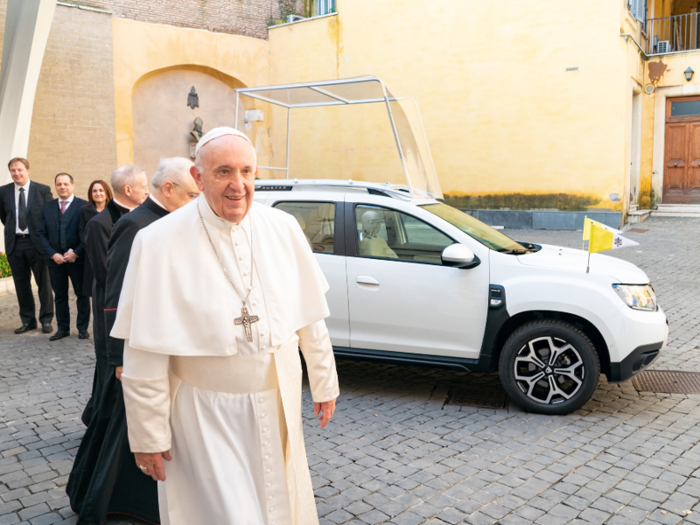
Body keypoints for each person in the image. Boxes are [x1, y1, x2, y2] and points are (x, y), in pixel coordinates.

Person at [112, 127, 339, 525]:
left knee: (281, 508)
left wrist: (324, 382)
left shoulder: (282, 228)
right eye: (223, 172)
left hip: (277, 402)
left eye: (247, 172)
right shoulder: (157, 242)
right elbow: (145, 350)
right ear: (198, 178)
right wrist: (148, 435)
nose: (239, 185)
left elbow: (310, 317)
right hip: (204, 414)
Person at [67, 158, 199, 525]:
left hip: (162, 345)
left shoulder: (170, 219)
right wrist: (118, 358)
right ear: (168, 189)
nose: (196, 201)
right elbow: (116, 293)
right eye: (191, 194)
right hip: (134, 351)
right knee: (121, 430)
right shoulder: (135, 224)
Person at [81, 166, 148, 427]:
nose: (146, 190)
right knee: (109, 365)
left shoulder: (139, 217)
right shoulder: (99, 223)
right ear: (128, 189)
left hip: (131, 303)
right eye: (143, 185)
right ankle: (99, 420)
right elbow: (105, 273)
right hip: (111, 305)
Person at [0, 158, 55, 334]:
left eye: (20, 170)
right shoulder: (3, 191)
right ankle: (28, 320)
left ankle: (46, 320)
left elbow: (50, 216)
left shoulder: (42, 190)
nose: (16, 173)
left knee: (43, 283)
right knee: (21, 285)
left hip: (36, 243)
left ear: (28, 170)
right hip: (15, 243)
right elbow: (4, 216)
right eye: (13, 170)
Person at [36, 172, 91, 341]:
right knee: (59, 295)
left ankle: (82, 328)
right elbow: (40, 233)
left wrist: (76, 252)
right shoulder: (47, 207)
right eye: (59, 184)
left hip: (77, 259)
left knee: (81, 295)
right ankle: (63, 328)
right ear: (55, 187)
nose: (62, 187)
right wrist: (52, 254)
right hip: (55, 261)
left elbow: (88, 234)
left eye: (66, 184)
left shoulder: (84, 206)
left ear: (73, 186)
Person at [79, 180, 112, 300]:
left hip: (111, 254)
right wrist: (91, 247)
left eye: (101, 190)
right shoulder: (85, 210)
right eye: (94, 191)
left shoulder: (114, 209)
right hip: (92, 256)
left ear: (107, 192)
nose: (98, 193)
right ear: (90, 194)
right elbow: (82, 232)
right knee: (95, 292)